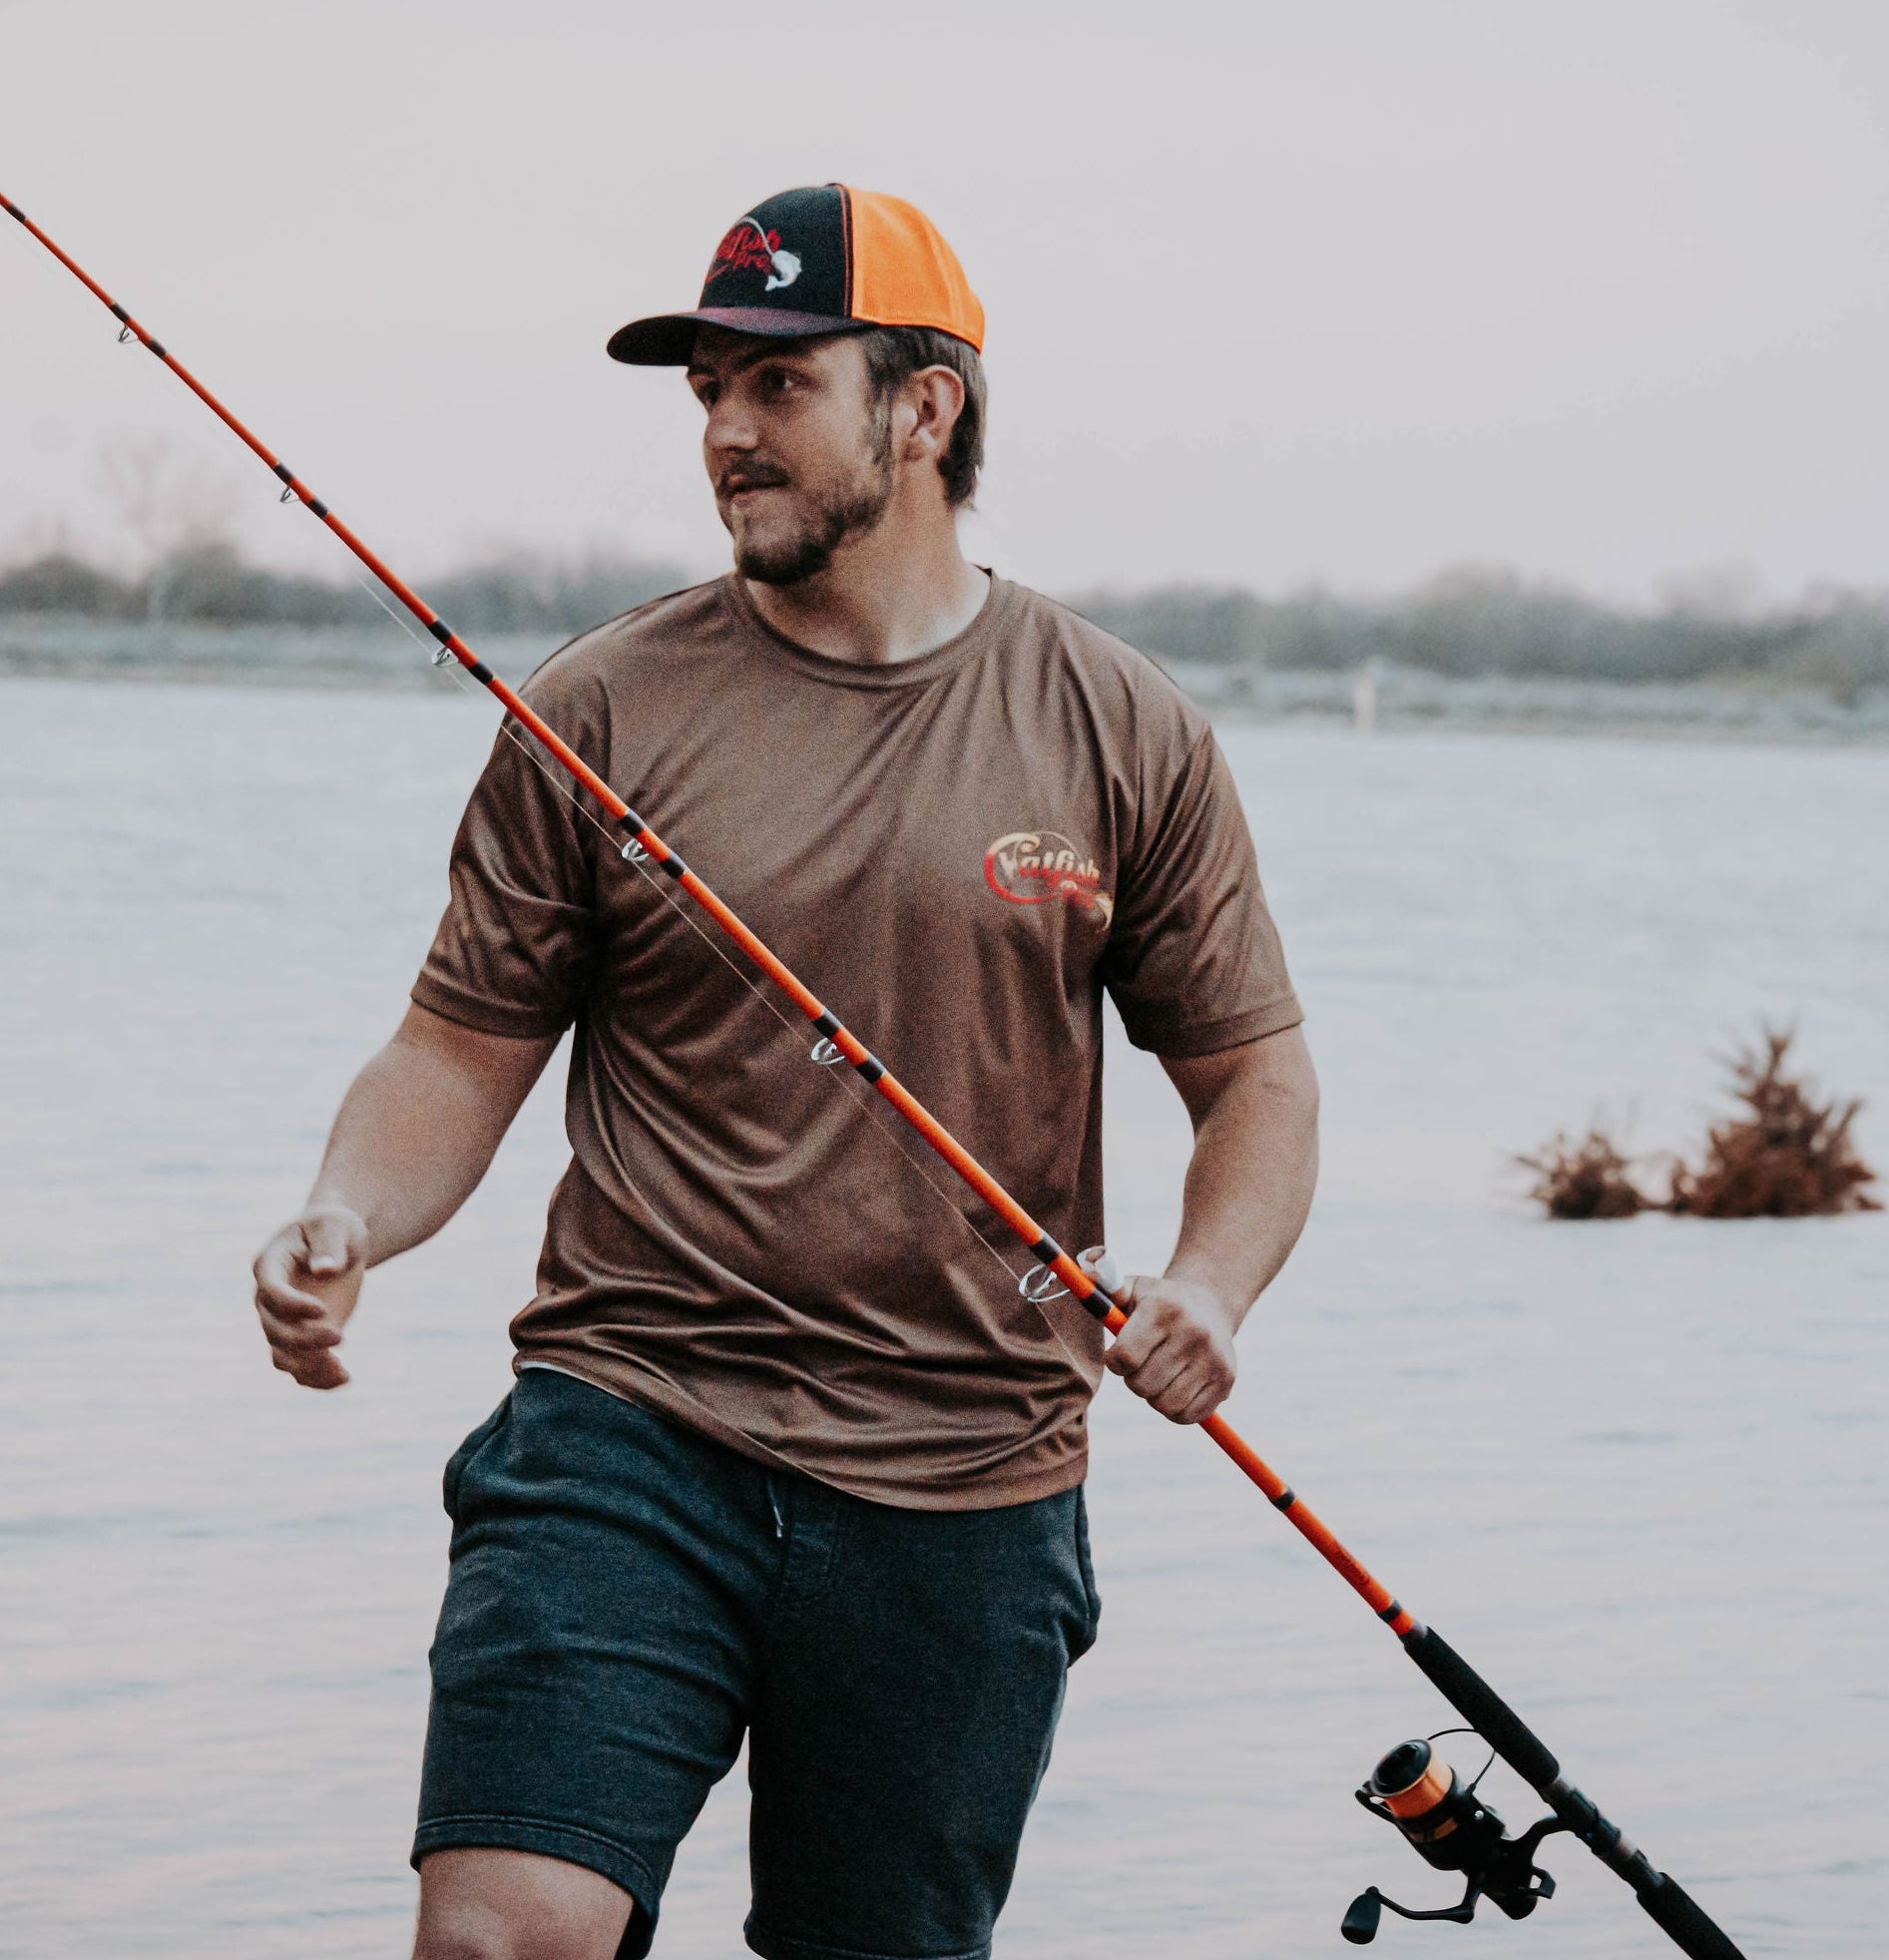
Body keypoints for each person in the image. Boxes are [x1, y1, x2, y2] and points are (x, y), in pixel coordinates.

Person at [251, 184, 1319, 1960]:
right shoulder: (594, 713)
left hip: (972, 1489)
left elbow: (1259, 1084)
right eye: (706, 393)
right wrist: (347, 1212)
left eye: (776, 384)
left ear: (925, 408)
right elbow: (456, 1047)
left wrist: (1212, 1284)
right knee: (500, 1935)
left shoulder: (1120, 727)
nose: (726, 434)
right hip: (627, 1430)